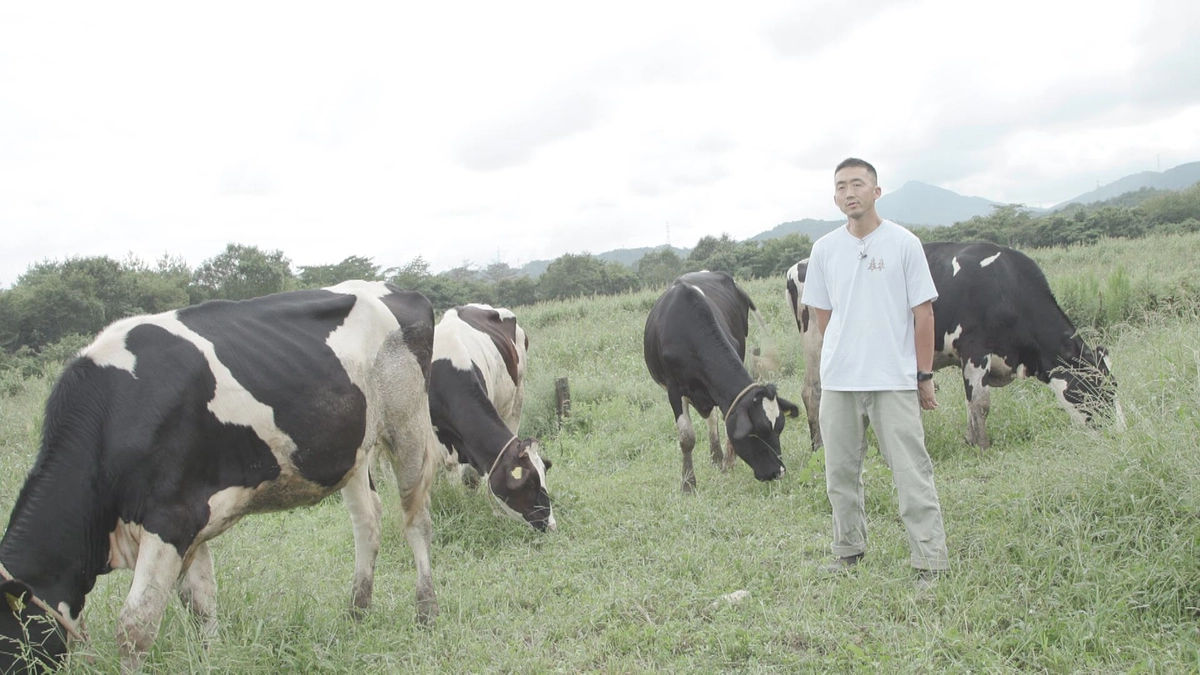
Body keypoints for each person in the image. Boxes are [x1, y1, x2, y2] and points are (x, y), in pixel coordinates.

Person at [800, 157, 949, 584]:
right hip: (841, 382)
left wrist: (923, 375)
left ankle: (930, 561)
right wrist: (847, 353)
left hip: (893, 381)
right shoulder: (825, 249)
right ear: (834, 197)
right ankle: (848, 549)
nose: (850, 193)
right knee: (840, 473)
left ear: (876, 192)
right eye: (842, 186)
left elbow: (924, 315)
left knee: (911, 471)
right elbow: (824, 317)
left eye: (858, 184)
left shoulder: (904, 243)